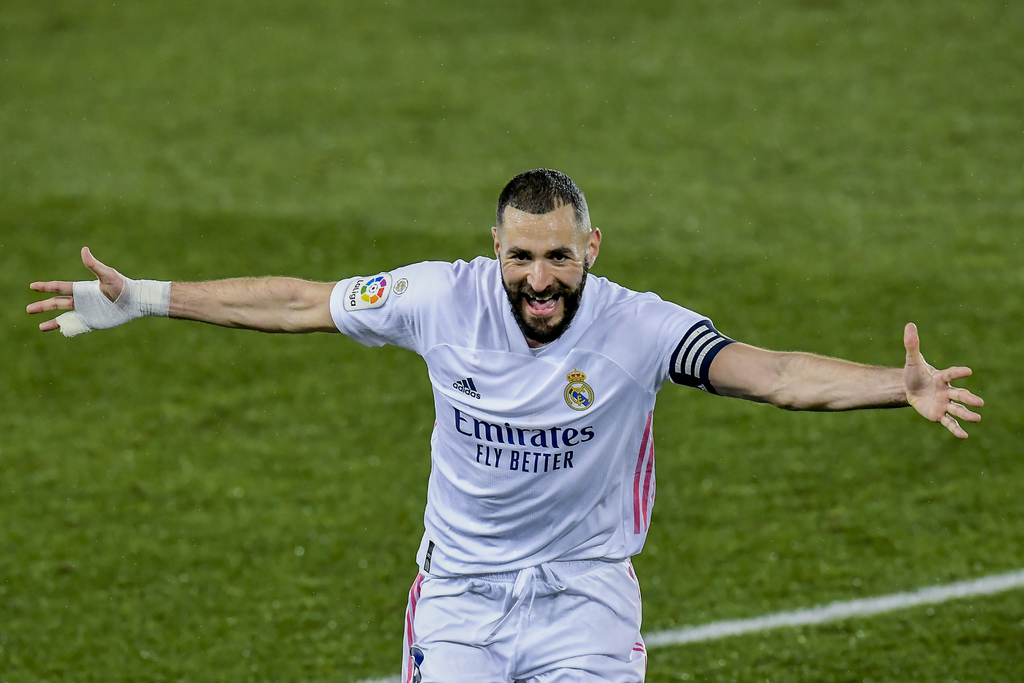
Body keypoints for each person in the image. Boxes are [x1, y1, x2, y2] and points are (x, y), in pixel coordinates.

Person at [27, 169, 983, 683]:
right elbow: (299, 303)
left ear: (590, 249)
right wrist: (146, 296)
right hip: (461, 603)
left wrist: (890, 387)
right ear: (496, 249)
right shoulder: (440, 299)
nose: (540, 278)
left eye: (559, 256)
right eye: (522, 256)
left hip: (586, 600)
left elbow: (770, 374)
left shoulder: (638, 325)